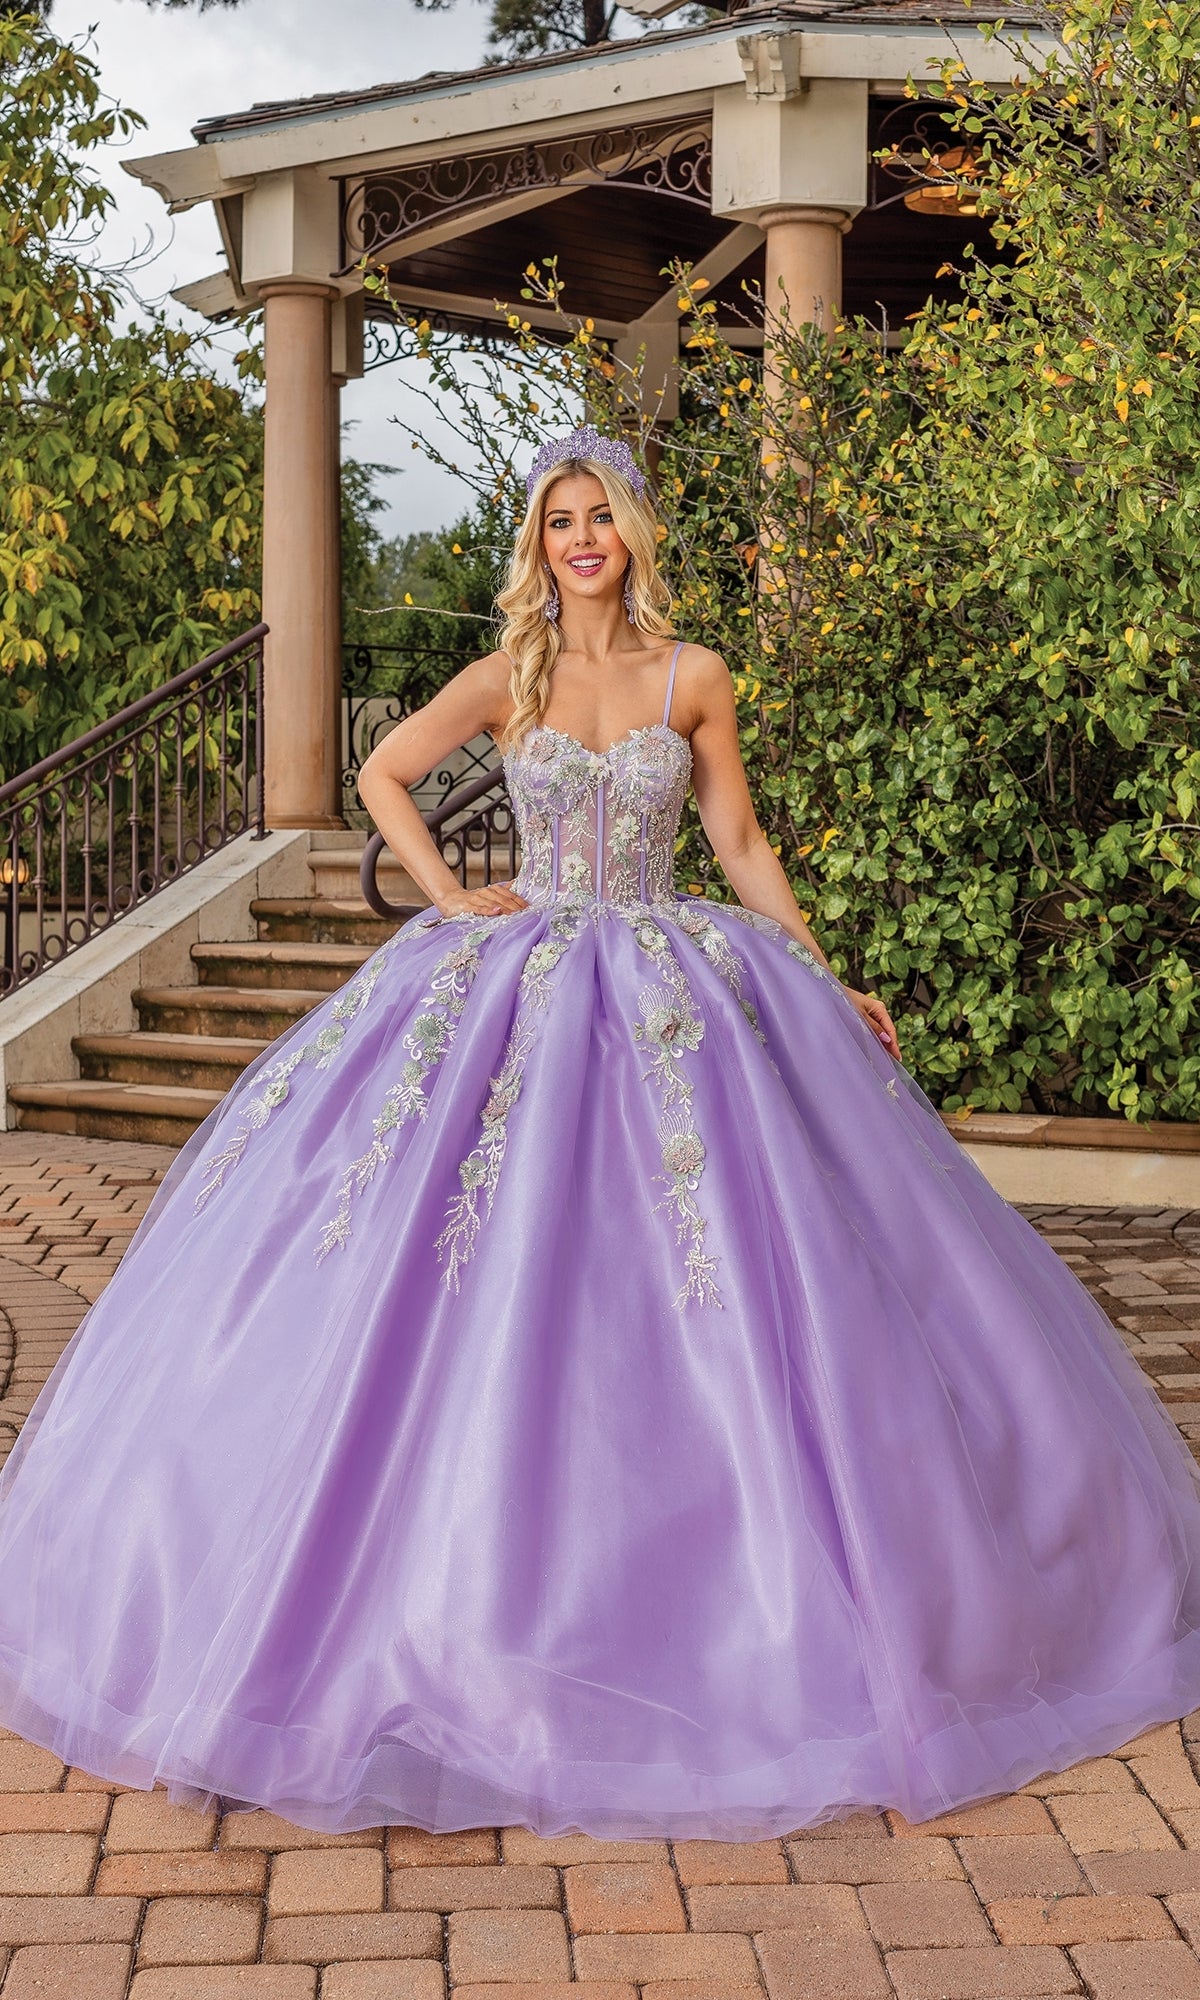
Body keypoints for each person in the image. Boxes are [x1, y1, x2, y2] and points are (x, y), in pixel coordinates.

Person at [1, 424, 1200, 1844]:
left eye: (601, 517)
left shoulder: (695, 677)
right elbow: (384, 774)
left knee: (708, 1278)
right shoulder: (510, 675)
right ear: (540, 543)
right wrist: (450, 895)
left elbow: (740, 843)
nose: (581, 540)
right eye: (559, 520)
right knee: (442, 1258)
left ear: (631, 534)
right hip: (509, 977)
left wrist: (819, 970)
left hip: (669, 984)